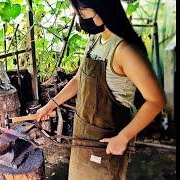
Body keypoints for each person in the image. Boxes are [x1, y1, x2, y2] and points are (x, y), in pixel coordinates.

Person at [36, 0, 166, 179]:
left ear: (102, 8)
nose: (80, 18)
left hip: (108, 141)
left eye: (82, 13)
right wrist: (51, 105)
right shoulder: (95, 39)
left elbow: (156, 100)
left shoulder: (124, 51)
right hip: (83, 134)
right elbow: (78, 79)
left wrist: (123, 137)